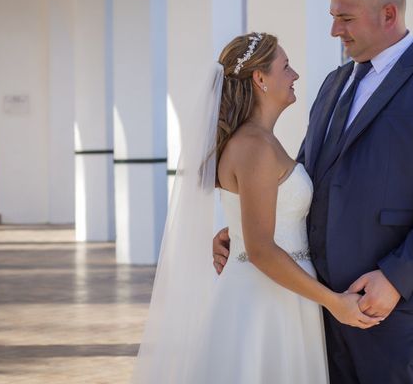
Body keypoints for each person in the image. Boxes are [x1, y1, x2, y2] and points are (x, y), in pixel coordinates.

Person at [213, 0, 413, 383]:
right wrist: (248, 231)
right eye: (333, 17)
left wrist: (395, 278)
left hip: (397, 307)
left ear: (388, 15)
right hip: (322, 302)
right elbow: (303, 180)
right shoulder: (333, 83)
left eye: (345, 18)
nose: (335, 31)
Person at [132, 32, 383, 384]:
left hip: (282, 294)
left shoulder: (257, 141)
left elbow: (261, 223)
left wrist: (232, 232)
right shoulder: (255, 147)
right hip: (268, 301)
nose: (295, 75)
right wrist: (334, 302)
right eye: (286, 67)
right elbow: (262, 250)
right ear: (260, 79)